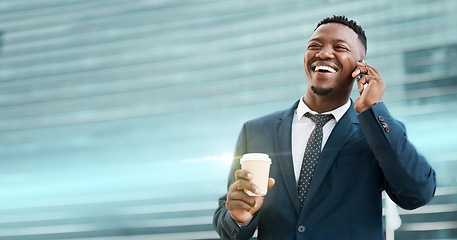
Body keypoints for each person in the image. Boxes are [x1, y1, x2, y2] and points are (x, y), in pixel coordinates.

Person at [213, 15, 436, 240]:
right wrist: (239, 217)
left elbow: (417, 194)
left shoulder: (378, 131)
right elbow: (228, 222)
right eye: (314, 46)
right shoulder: (256, 130)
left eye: (339, 47)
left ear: (361, 66)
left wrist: (372, 108)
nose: (324, 53)